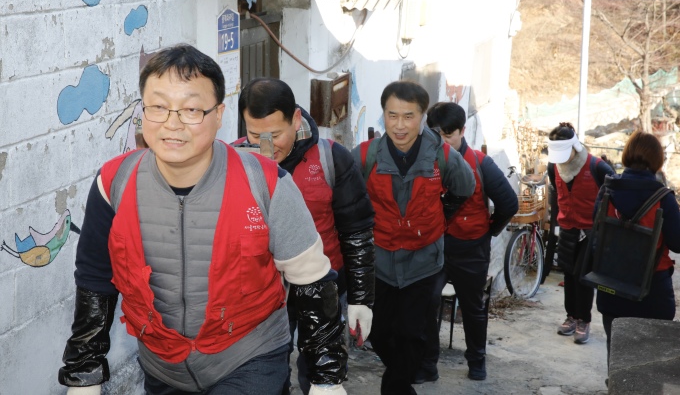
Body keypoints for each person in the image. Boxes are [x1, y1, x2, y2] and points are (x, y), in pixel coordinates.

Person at [58, 45, 348, 395]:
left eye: (192, 109)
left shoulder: (267, 183)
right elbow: (94, 279)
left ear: (219, 114)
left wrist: (326, 377)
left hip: (249, 360)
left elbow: (313, 281)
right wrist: (84, 373)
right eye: (158, 107)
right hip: (162, 366)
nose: (173, 123)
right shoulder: (113, 183)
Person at [236, 77, 375, 395]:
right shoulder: (233, 162)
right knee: (266, 374)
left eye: (275, 134)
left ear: (296, 119)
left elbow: (357, 233)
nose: (266, 145)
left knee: (318, 374)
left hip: (323, 288)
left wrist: (360, 299)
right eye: (255, 135)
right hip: (264, 296)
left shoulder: (332, 159)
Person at [351, 80, 476, 395]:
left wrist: (439, 218)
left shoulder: (442, 156)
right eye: (392, 115)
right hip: (379, 259)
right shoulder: (366, 156)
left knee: (412, 334)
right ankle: (400, 384)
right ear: (383, 116)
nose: (399, 125)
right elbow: (349, 199)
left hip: (423, 260)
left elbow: (465, 188)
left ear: (422, 117)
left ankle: (395, 388)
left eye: (408, 116)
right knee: (377, 331)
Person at [418, 101, 518, 382]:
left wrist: (490, 231)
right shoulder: (425, 163)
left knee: (473, 308)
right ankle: (427, 364)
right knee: (427, 301)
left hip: (471, 248)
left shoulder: (480, 162)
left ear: (463, 131)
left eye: (450, 134)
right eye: (439, 135)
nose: (444, 141)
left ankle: (477, 361)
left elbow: (509, 204)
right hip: (435, 247)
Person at [594, 131, 680, 361]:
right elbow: (677, 242)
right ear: (657, 160)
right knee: (650, 365)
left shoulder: (606, 191)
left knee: (618, 359)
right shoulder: (664, 197)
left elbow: (597, 233)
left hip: (611, 288)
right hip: (652, 294)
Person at [547, 122, 615, 345]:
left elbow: (615, 194)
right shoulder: (553, 167)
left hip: (590, 230)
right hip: (567, 228)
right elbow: (556, 195)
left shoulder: (597, 167)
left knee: (583, 276)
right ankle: (571, 316)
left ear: (575, 147)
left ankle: (584, 319)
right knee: (568, 273)